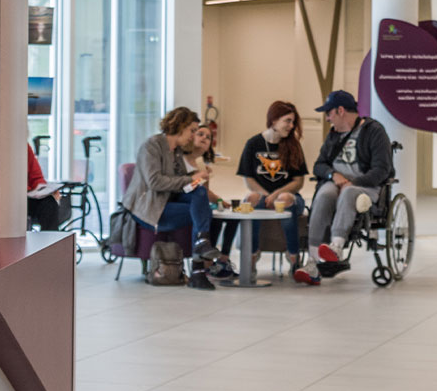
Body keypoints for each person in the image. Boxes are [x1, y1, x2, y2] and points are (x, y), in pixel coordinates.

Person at [121, 106, 227, 290]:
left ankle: (202, 245)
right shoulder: (152, 146)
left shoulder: (176, 152)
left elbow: (181, 186)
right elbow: (155, 182)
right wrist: (190, 179)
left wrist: (196, 179)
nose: (193, 136)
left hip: (167, 203)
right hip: (149, 209)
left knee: (200, 196)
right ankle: (198, 271)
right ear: (180, 125)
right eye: (192, 130)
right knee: (201, 213)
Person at [297, 90, 393, 285]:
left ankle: (337, 246)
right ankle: (312, 262)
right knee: (323, 195)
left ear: (340, 111)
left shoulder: (374, 131)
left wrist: (353, 182)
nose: (327, 118)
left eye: (329, 113)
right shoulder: (333, 136)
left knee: (349, 192)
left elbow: (382, 170)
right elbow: (319, 165)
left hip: (365, 186)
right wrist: (334, 175)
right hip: (336, 183)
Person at [236, 101, 307, 277]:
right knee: (251, 198)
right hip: (263, 195)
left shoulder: (293, 145)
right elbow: (249, 179)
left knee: (284, 198)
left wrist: (275, 195)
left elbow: (298, 181)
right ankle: (251, 255)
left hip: (290, 198)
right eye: (287, 121)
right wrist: (266, 195)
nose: (291, 126)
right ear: (274, 120)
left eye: (293, 122)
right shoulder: (253, 144)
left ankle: (293, 256)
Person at [187, 124, 238, 261]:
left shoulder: (202, 164)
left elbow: (205, 192)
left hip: (200, 200)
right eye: (200, 134)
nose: (205, 138)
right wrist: (199, 179)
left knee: (234, 217)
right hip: (186, 201)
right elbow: (189, 189)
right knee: (214, 218)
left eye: (208, 137)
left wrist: (221, 201)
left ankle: (224, 259)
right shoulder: (184, 159)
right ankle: (206, 263)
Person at [27, 143, 64, 231]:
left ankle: (51, 241)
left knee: (49, 203)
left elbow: (37, 177)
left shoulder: (25, 147)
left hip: (28, 195)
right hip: (12, 197)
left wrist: (44, 190)